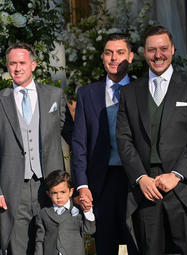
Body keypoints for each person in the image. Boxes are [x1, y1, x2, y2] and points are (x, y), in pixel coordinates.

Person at [116, 25, 187, 255]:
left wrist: (177, 175)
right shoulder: (129, 92)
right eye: (152, 49)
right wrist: (140, 178)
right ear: (144, 52)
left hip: (181, 187)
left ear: (173, 49)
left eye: (163, 48)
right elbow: (123, 138)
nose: (158, 55)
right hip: (146, 189)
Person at [0, 42, 73, 255]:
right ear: (7, 66)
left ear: (33, 64)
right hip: (14, 189)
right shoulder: (0, 100)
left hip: (50, 187)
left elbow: (73, 137)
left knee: (51, 245)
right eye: (12, 63)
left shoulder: (54, 95)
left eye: (22, 62)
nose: (17, 68)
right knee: (19, 248)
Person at [71, 33, 139, 254]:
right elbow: (79, 144)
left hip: (136, 182)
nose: (113, 58)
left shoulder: (143, 91)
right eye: (108, 53)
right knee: (105, 247)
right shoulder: (86, 93)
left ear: (131, 56)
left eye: (120, 53)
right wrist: (82, 185)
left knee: (139, 245)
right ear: (102, 57)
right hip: (101, 184)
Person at [34, 170, 95, 255]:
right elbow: (39, 240)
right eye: (54, 193)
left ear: (71, 192)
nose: (59, 197)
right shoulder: (43, 214)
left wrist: (87, 211)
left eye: (63, 192)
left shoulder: (78, 211)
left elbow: (89, 230)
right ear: (48, 194)